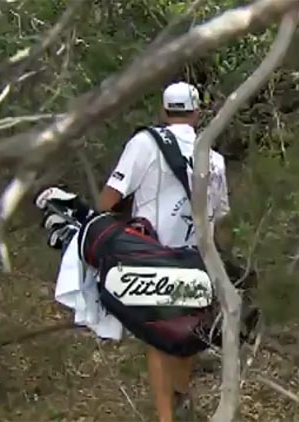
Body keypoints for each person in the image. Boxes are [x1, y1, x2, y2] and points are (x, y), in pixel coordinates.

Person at [98, 81, 230, 421]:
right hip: (197, 258)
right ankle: (182, 398)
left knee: (157, 339)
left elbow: (110, 198)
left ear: (163, 111)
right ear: (197, 113)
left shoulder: (145, 143)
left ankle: (165, 417)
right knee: (186, 331)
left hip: (154, 258)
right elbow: (220, 214)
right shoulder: (213, 157)